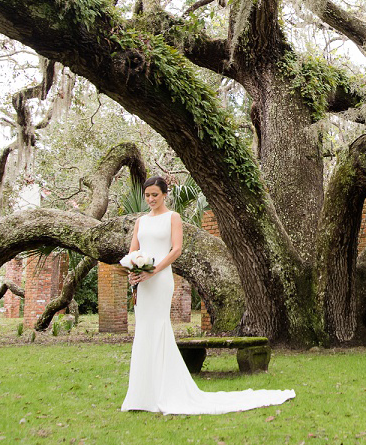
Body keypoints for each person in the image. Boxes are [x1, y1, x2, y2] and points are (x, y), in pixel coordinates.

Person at [120, 175, 295, 414]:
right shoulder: (141, 221)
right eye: (147, 195)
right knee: (143, 331)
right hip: (142, 281)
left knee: (159, 328)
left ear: (164, 195)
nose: (150, 199)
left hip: (160, 279)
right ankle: (141, 395)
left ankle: (164, 391)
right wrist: (133, 270)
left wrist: (154, 270)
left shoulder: (173, 217)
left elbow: (176, 249)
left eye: (155, 195)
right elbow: (133, 251)